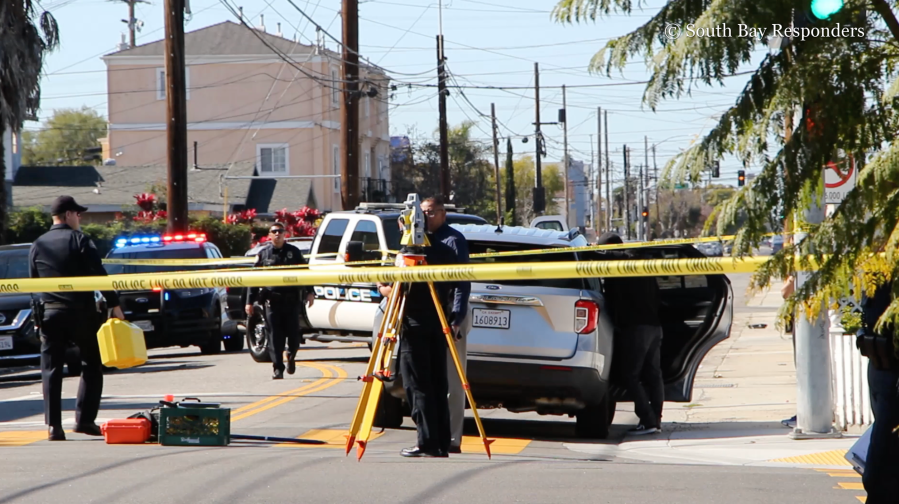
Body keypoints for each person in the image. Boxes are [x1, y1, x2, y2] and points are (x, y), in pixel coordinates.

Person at [29, 196, 125, 441]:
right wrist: (114, 303)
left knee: (51, 369)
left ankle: (54, 427)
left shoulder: (38, 244)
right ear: (69, 214)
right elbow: (99, 274)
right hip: (81, 312)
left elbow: (33, 283)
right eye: (78, 214)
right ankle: (84, 420)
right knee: (91, 364)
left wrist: (38, 317)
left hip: (50, 312)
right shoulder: (80, 240)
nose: (80, 218)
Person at [385, 196, 470, 457]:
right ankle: (441, 442)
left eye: (429, 213)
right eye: (420, 214)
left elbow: (398, 289)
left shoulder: (422, 252)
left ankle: (427, 442)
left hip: (420, 322)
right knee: (436, 383)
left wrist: (385, 285)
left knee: (419, 384)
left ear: (443, 213)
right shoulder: (440, 251)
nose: (424, 219)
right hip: (436, 320)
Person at [597, 231, 665, 435]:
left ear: (609, 247)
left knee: (630, 376)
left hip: (635, 328)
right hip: (654, 326)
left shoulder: (615, 265)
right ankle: (656, 420)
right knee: (654, 375)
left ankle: (648, 420)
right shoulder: (642, 263)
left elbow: (611, 300)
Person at [245, 222, 315, 380]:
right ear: (269, 235)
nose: (277, 234)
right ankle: (278, 368)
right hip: (272, 302)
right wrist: (249, 302)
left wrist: (310, 292)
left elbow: (306, 273)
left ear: (285, 234)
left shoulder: (294, 252)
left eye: (280, 231)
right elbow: (254, 279)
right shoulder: (264, 254)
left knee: (294, 335)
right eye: (274, 232)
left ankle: (291, 354)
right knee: (274, 337)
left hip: (291, 301)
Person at [858, 281, 899, 503]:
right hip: (880, 365)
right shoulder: (877, 263)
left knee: (880, 474)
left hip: (889, 368)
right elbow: (854, 312)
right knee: (879, 472)